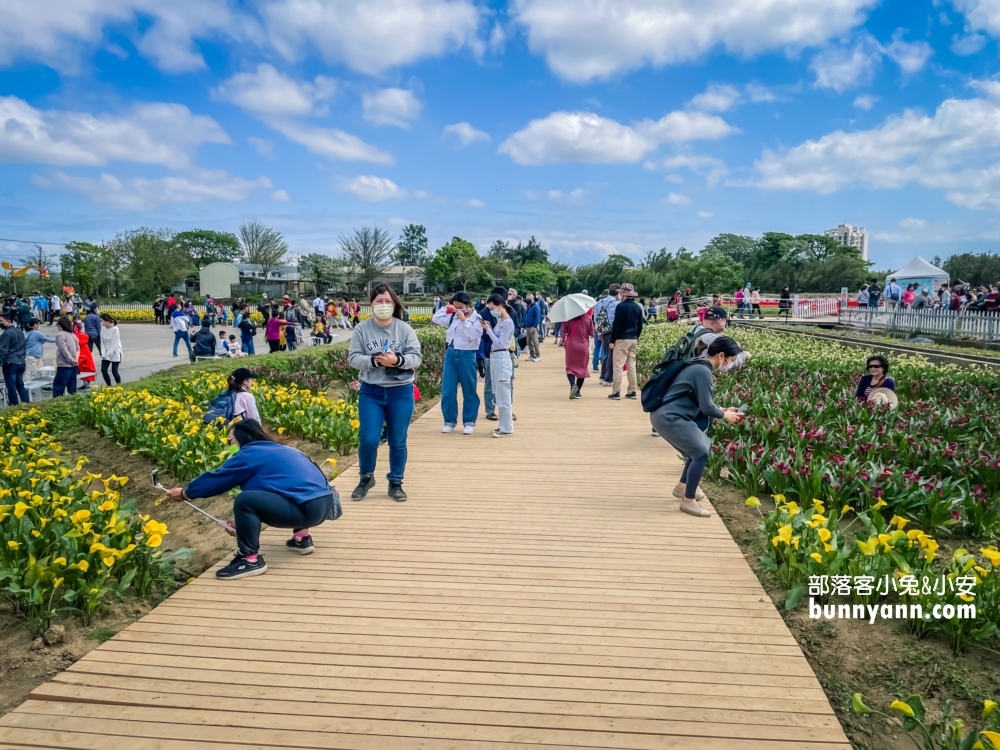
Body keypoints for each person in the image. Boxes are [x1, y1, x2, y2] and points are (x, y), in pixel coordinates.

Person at [164, 419, 340, 579]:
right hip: (324, 504)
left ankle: (250, 560)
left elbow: (218, 479)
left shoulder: (249, 454)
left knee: (244, 499)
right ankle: (302, 538)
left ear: (240, 438)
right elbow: (275, 490)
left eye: (230, 440)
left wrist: (185, 493)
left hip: (306, 510)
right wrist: (243, 523)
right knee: (293, 487)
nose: (229, 443)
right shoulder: (284, 449)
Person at [650, 336, 745, 518]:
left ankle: (682, 488)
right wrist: (725, 415)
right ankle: (688, 501)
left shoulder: (698, 364)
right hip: (670, 418)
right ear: (722, 355)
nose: (730, 365)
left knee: (700, 447)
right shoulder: (703, 371)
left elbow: (702, 401)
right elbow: (706, 407)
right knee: (700, 453)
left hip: (665, 415)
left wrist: (723, 409)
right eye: (731, 361)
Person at [348, 284, 422, 501]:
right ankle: (366, 477)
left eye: (387, 301)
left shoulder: (404, 329)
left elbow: (416, 358)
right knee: (369, 439)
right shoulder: (362, 329)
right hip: (371, 392)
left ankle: (396, 482)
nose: (383, 305)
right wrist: (374, 360)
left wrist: (397, 361)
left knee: (398, 440)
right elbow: (353, 358)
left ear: (394, 303)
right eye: (379, 301)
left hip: (400, 392)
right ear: (371, 304)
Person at [432, 291, 482, 435]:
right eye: (456, 306)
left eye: (461, 307)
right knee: (447, 389)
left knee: (469, 389)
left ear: (468, 305)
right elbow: (436, 319)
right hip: (452, 352)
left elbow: (473, 336)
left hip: (467, 354)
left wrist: (464, 320)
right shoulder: (452, 316)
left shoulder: (476, 318)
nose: (458, 309)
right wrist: (447, 309)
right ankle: (449, 421)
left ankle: (469, 421)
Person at [480, 293, 515, 436]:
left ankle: (507, 428)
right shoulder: (500, 320)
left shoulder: (507, 322)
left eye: (493, 307)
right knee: (498, 394)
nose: (491, 311)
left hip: (502, 357)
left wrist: (488, 330)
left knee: (503, 394)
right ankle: (503, 426)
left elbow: (500, 342)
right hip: (495, 357)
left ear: (500, 306)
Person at [608, 283, 644, 400]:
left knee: (618, 366)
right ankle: (632, 391)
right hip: (633, 338)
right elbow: (640, 325)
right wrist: (635, 337)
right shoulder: (638, 307)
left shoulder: (620, 307)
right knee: (631, 365)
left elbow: (616, 325)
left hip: (622, 338)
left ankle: (616, 391)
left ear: (622, 294)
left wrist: (612, 340)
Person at [562, 304, 595, 400]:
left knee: (570, 368)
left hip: (571, 345)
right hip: (583, 345)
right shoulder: (587, 318)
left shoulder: (567, 318)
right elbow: (592, 333)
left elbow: (564, 331)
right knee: (582, 368)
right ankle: (578, 391)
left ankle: (573, 385)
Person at [0, 312, 30, 405]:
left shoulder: (7, 334)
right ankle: (26, 403)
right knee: (20, 384)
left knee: (11, 386)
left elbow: (3, 350)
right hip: (20, 362)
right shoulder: (19, 331)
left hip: (10, 363)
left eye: (1, 321)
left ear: (8, 321)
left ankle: (13, 406)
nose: (0, 323)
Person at [594, 283, 620, 385]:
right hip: (612, 331)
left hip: (602, 330)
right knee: (611, 354)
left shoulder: (600, 302)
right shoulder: (616, 304)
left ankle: (602, 376)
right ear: (618, 293)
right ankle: (608, 378)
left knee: (605, 353)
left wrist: (599, 331)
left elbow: (596, 318)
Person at [51, 316, 80, 398]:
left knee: (58, 387)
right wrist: (75, 360)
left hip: (64, 365)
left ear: (60, 325)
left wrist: (71, 360)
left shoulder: (60, 335)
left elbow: (64, 350)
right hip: (73, 365)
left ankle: (58, 405)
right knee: (72, 388)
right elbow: (78, 349)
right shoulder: (73, 335)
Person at [99, 313, 123, 386]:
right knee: (103, 370)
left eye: (102, 321)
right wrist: (103, 353)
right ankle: (109, 386)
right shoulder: (103, 329)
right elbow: (102, 342)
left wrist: (108, 355)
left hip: (115, 352)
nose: (101, 322)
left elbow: (114, 343)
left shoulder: (115, 329)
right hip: (106, 352)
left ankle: (119, 386)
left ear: (107, 321)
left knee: (114, 371)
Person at [73, 320, 95, 391]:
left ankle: (86, 386)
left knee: (84, 373)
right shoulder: (84, 342)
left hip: (82, 360)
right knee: (85, 372)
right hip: (86, 360)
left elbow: (81, 355)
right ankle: (86, 385)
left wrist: (75, 361)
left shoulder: (79, 344)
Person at [523, 294, 542, 361]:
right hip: (528, 327)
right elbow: (525, 317)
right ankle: (532, 355)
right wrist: (523, 326)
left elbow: (537, 317)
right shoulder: (528, 307)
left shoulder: (536, 307)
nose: (527, 299)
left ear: (532, 298)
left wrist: (535, 326)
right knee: (529, 342)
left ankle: (538, 355)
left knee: (535, 341)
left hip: (532, 327)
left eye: (528, 298)